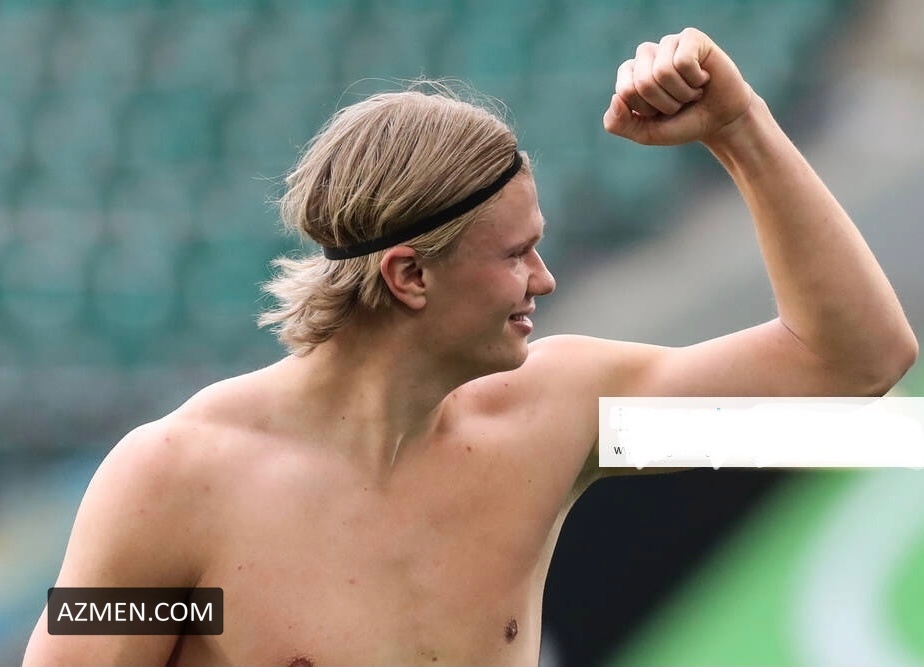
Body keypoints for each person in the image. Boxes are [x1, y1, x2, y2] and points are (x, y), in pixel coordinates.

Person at [24, 27, 917, 667]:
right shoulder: (176, 481)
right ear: (410, 275)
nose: (545, 280)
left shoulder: (559, 421)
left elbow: (853, 369)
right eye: (516, 254)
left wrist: (739, 128)